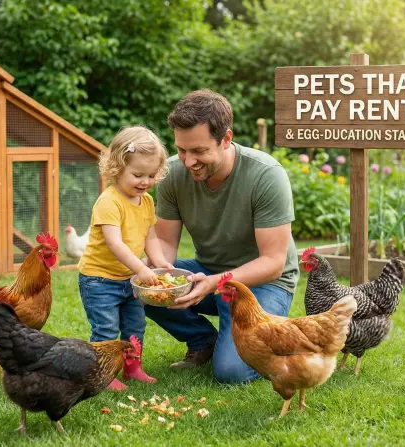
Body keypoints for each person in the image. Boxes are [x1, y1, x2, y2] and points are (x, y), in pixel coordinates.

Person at [144, 89, 299, 384]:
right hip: (209, 274)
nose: (188, 161)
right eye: (182, 150)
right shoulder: (173, 175)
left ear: (226, 139)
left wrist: (216, 283)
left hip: (264, 284)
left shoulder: (266, 175)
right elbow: (164, 243)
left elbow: (273, 262)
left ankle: (275, 336)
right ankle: (204, 341)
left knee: (231, 373)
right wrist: (155, 271)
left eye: (199, 151)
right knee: (139, 286)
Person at [78, 125, 172, 391]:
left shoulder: (146, 201)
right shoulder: (109, 202)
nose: (145, 181)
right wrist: (141, 268)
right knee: (106, 330)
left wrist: (159, 261)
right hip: (100, 280)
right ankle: (104, 375)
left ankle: (133, 368)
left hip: (128, 279)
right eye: (138, 174)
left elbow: (150, 236)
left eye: (151, 175)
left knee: (135, 326)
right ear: (118, 168)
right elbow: (115, 243)